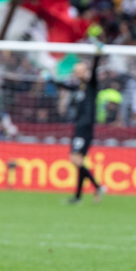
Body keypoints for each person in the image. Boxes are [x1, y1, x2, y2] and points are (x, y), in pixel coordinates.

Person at [50, 45, 107, 204]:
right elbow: (63, 85)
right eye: (76, 71)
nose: (78, 73)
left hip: (86, 127)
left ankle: (97, 187)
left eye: (80, 70)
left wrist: (97, 55)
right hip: (80, 127)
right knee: (79, 161)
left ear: (85, 71)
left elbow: (94, 70)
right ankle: (78, 197)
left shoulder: (91, 85)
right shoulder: (76, 88)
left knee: (75, 159)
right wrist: (50, 78)